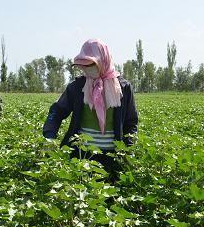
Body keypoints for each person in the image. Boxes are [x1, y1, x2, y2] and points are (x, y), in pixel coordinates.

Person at [42, 39, 138, 179]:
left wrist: (129, 149)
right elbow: (57, 110)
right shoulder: (77, 86)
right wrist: (49, 135)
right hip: (81, 154)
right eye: (83, 65)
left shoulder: (123, 88)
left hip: (112, 156)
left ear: (103, 60)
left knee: (110, 197)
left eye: (90, 64)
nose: (86, 69)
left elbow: (131, 121)